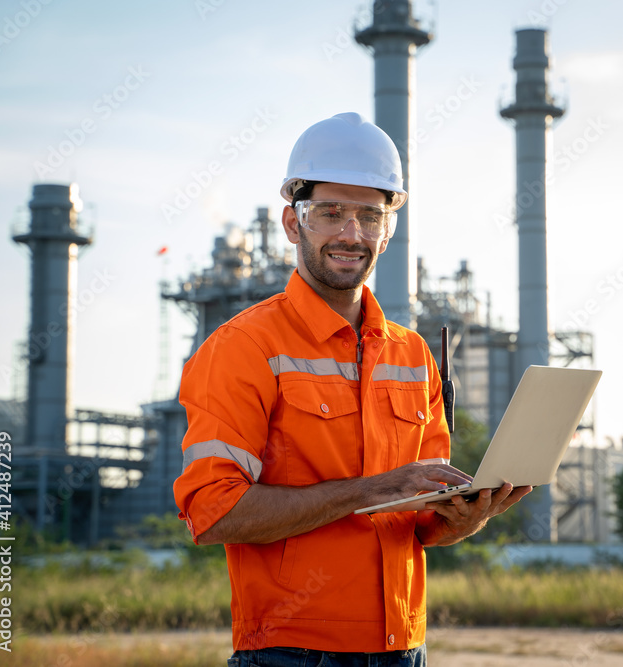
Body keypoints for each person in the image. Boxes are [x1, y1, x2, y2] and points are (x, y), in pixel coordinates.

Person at [172, 112, 531, 666]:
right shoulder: (243, 347)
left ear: (389, 231)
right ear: (294, 224)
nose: (351, 234)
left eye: (370, 216)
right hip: (291, 654)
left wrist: (466, 516)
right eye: (330, 214)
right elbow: (213, 512)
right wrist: (370, 490)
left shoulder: (413, 355)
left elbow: (422, 523)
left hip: (404, 648)